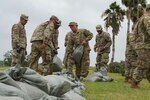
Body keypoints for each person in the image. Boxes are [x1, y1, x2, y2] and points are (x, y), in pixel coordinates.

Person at [131, 4, 150, 88]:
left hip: (143, 45)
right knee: (143, 65)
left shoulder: (142, 18)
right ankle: (134, 82)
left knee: (147, 65)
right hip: (144, 46)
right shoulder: (147, 18)